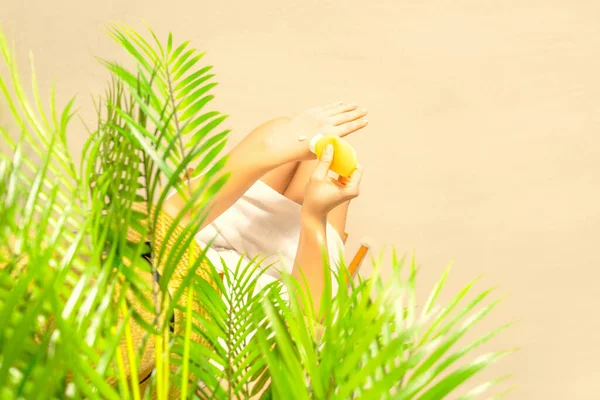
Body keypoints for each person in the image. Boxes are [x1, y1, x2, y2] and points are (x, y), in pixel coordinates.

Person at [163, 101, 368, 309]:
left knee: (284, 131)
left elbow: (157, 231)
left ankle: (274, 146)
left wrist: (272, 147)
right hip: (278, 290)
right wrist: (314, 217)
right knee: (322, 165)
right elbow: (305, 320)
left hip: (201, 240)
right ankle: (277, 150)